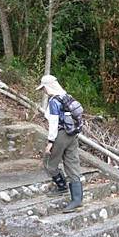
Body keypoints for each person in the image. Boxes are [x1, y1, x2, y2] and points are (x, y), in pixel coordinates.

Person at [37, 74, 83, 213]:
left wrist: (50, 142)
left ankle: (61, 186)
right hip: (73, 135)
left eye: (43, 88)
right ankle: (77, 200)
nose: (43, 91)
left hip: (60, 135)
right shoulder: (67, 96)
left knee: (49, 163)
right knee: (72, 164)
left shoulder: (54, 101)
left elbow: (53, 123)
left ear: (47, 87)